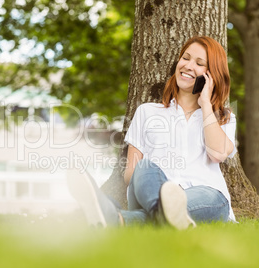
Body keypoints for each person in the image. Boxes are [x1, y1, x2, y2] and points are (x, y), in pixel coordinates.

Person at [67, 36, 237, 229]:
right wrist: (158, 186)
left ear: (212, 75)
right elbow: (130, 173)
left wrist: (206, 104)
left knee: (184, 201)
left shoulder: (222, 117)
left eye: (199, 63)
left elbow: (217, 154)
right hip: (150, 190)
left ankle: (115, 217)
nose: (188, 65)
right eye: (185, 58)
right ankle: (166, 214)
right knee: (144, 165)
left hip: (208, 196)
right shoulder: (147, 111)